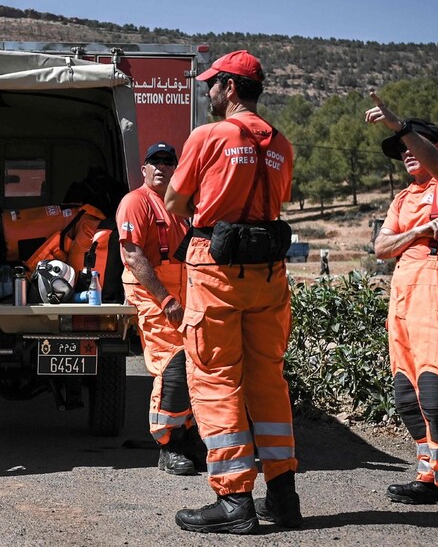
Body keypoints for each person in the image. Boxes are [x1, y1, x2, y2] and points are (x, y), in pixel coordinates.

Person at [164, 51, 300, 534]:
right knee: (267, 379)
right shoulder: (281, 144)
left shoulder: (208, 136)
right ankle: (283, 497)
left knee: (216, 380)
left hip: (217, 272)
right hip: (269, 274)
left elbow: (175, 201)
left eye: (212, 85)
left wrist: (210, 203)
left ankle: (234, 499)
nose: (208, 92)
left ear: (231, 88)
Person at [366, 92, 438, 521]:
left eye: (411, 147)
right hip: (404, 297)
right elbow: (381, 247)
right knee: (408, 396)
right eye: (401, 151)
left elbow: (436, 165)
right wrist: (415, 234)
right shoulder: (402, 199)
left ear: (428, 149)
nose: (405, 155)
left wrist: (401, 128)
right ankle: (429, 476)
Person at [115, 141, 196, 475]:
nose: (162, 167)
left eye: (168, 161)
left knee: (196, 363)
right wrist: (165, 300)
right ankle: (167, 445)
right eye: (155, 161)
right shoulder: (136, 202)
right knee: (173, 364)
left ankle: (189, 436)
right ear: (144, 169)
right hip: (152, 295)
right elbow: (133, 256)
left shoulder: (180, 205)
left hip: (183, 294)